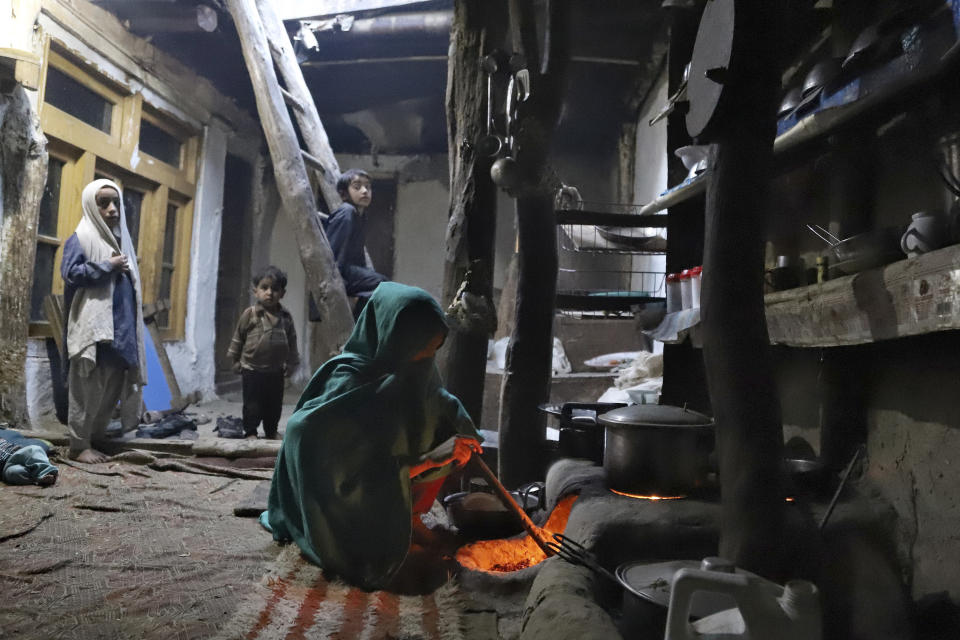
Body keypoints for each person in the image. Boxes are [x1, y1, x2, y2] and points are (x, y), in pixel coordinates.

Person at [260, 282, 482, 591]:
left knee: (439, 420)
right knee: (384, 561)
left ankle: (409, 516)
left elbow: (438, 398)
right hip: (345, 500)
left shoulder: (418, 368)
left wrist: (463, 427)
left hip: (394, 474)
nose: (425, 360)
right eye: (418, 349)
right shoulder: (348, 378)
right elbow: (309, 437)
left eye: (433, 351)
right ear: (393, 337)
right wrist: (425, 461)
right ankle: (371, 535)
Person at [61, 179, 147, 464]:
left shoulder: (120, 239)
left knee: (110, 388)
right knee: (87, 387)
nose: (112, 209)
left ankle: (95, 437)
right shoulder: (82, 237)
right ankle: (78, 444)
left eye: (116, 203)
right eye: (103, 203)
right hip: (94, 329)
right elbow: (70, 272)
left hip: (118, 329)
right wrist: (106, 266)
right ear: (91, 205)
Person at [227, 266, 300, 439]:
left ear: (282, 293)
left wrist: (291, 363)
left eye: (275, 289)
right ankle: (251, 431)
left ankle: (271, 430)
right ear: (255, 291)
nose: (269, 293)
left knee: (274, 405)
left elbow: (292, 341)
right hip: (252, 369)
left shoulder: (285, 317)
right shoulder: (250, 315)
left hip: (275, 371)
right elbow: (238, 337)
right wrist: (235, 360)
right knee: (252, 404)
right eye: (264, 288)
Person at [324, 168, 387, 318]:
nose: (365, 191)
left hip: (351, 271)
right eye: (357, 187)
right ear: (344, 193)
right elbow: (334, 251)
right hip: (341, 273)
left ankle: (360, 321)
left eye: (368, 187)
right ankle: (360, 324)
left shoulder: (360, 216)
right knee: (382, 284)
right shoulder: (347, 212)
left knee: (381, 286)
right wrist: (338, 284)